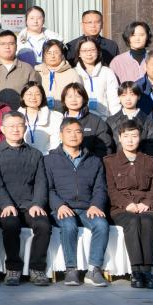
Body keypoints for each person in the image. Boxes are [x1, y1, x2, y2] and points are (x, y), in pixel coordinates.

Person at [0, 111, 52, 286]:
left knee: (43, 225)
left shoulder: (35, 154)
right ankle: (13, 268)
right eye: (11, 126)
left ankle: (37, 269)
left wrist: (37, 203)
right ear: (2, 129)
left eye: (19, 125)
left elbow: (41, 182)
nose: (15, 129)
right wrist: (6, 204)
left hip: (30, 204)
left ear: (25, 128)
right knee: (10, 225)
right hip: (5, 206)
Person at [44, 117, 111, 287]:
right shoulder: (49, 160)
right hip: (62, 208)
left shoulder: (94, 160)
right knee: (69, 225)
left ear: (82, 135)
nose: (73, 135)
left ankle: (94, 270)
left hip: (87, 208)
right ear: (61, 135)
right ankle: (71, 269)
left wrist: (96, 205)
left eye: (78, 132)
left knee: (101, 225)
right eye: (69, 131)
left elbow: (100, 188)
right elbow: (48, 188)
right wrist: (59, 205)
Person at [104, 119, 153, 289]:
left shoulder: (150, 161)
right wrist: (127, 204)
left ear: (140, 138)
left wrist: (147, 203)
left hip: (147, 207)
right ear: (119, 138)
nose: (130, 140)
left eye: (134, 136)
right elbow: (110, 189)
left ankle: (147, 271)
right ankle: (136, 271)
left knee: (147, 221)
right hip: (121, 208)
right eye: (126, 136)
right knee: (132, 221)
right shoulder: (109, 162)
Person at [105, 82, 153, 158]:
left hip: (142, 162)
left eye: (132, 95)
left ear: (138, 96)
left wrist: (142, 161)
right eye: (124, 95)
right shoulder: (111, 121)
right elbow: (107, 146)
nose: (128, 99)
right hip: (117, 163)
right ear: (119, 97)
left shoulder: (148, 121)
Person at [59, 83, 115, 157]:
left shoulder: (96, 121)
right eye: (70, 96)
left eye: (78, 96)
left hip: (90, 162)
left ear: (84, 99)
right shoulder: (58, 119)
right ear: (64, 100)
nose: (74, 100)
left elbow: (105, 147)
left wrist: (94, 162)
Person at [0, 31, 42, 110]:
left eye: (11, 43)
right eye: (3, 44)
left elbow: (36, 94)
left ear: (16, 46)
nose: (7, 47)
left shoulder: (27, 69)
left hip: (20, 115)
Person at [73, 36, 121, 118]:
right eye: (84, 51)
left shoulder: (107, 72)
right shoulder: (74, 72)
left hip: (104, 119)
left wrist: (114, 120)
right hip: (80, 119)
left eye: (92, 50)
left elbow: (114, 100)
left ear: (98, 51)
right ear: (79, 54)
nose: (89, 54)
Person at [35, 40, 80, 112]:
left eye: (56, 52)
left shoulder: (72, 73)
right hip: (40, 114)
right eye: (49, 53)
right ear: (44, 56)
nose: (52, 56)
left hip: (64, 114)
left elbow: (79, 96)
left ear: (62, 55)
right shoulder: (36, 73)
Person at [19, 81, 64, 154]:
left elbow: (55, 144)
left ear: (42, 97)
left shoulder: (55, 117)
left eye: (37, 94)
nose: (33, 97)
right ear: (23, 96)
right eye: (29, 94)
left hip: (47, 157)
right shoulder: (15, 118)